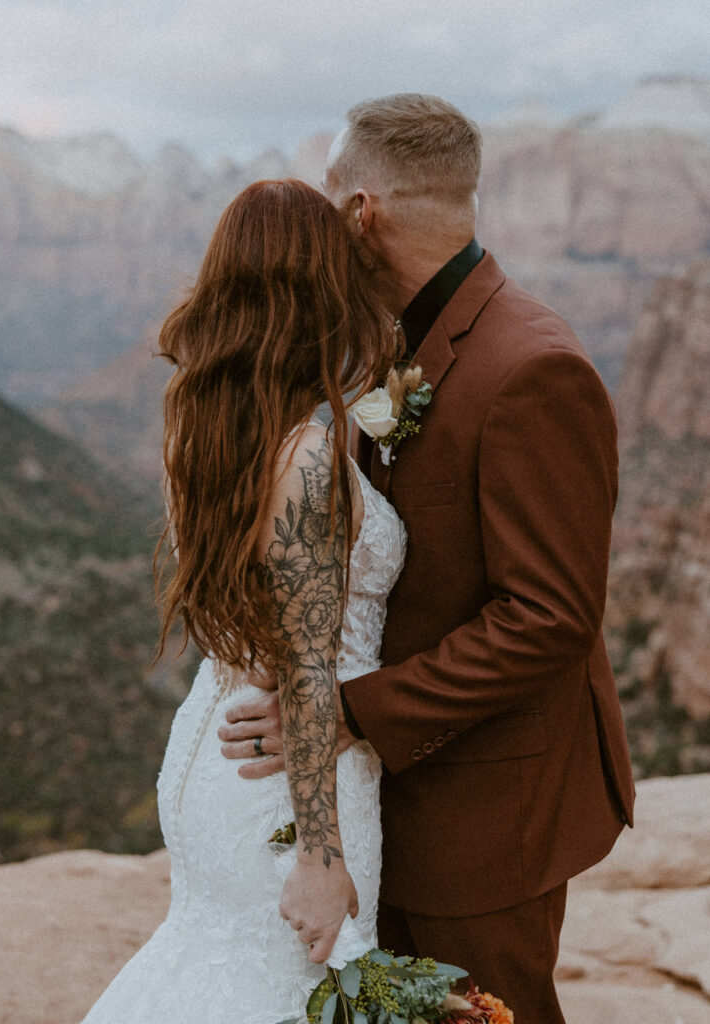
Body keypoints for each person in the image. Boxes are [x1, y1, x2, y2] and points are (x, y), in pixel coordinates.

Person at [219, 94, 636, 1024]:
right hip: (391, 802)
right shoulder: (393, 344)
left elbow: (551, 618)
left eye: (329, 206)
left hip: (487, 819)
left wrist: (344, 714)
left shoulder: (531, 369)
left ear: (361, 214)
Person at [79, 179, 406, 1024]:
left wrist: (372, 408)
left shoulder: (203, 425)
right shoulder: (305, 458)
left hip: (210, 748)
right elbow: (307, 670)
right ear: (320, 291)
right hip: (287, 781)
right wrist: (319, 858)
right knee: (289, 989)